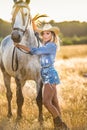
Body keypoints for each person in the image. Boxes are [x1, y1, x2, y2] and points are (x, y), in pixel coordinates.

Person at [15, 24, 69, 130]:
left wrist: (19, 45)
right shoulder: (46, 45)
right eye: (43, 33)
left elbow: (34, 51)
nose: (44, 35)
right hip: (46, 74)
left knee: (46, 102)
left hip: (50, 75)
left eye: (47, 33)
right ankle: (60, 126)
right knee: (54, 102)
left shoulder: (51, 46)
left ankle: (60, 124)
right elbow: (37, 36)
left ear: (52, 35)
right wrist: (34, 26)